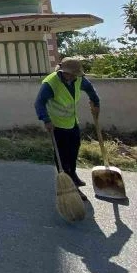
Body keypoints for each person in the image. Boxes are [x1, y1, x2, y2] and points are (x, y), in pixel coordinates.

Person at [35, 57, 100, 198]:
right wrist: (46, 120)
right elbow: (39, 103)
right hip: (56, 124)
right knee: (62, 155)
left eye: (73, 74)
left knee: (74, 149)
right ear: (62, 71)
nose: (70, 77)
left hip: (72, 121)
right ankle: (69, 184)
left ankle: (73, 174)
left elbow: (91, 90)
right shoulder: (50, 83)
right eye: (67, 74)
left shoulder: (79, 79)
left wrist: (96, 103)